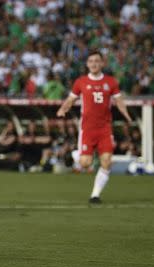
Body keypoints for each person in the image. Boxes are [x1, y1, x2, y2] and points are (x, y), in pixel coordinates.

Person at [56, 50, 132, 204]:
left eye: (97, 61)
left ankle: (95, 195)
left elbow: (119, 101)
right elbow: (71, 99)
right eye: (91, 61)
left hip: (105, 129)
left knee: (106, 161)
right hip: (87, 129)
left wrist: (127, 114)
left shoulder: (111, 82)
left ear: (102, 63)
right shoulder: (81, 81)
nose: (94, 64)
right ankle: (74, 155)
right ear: (87, 64)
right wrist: (63, 109)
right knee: (85, 163)